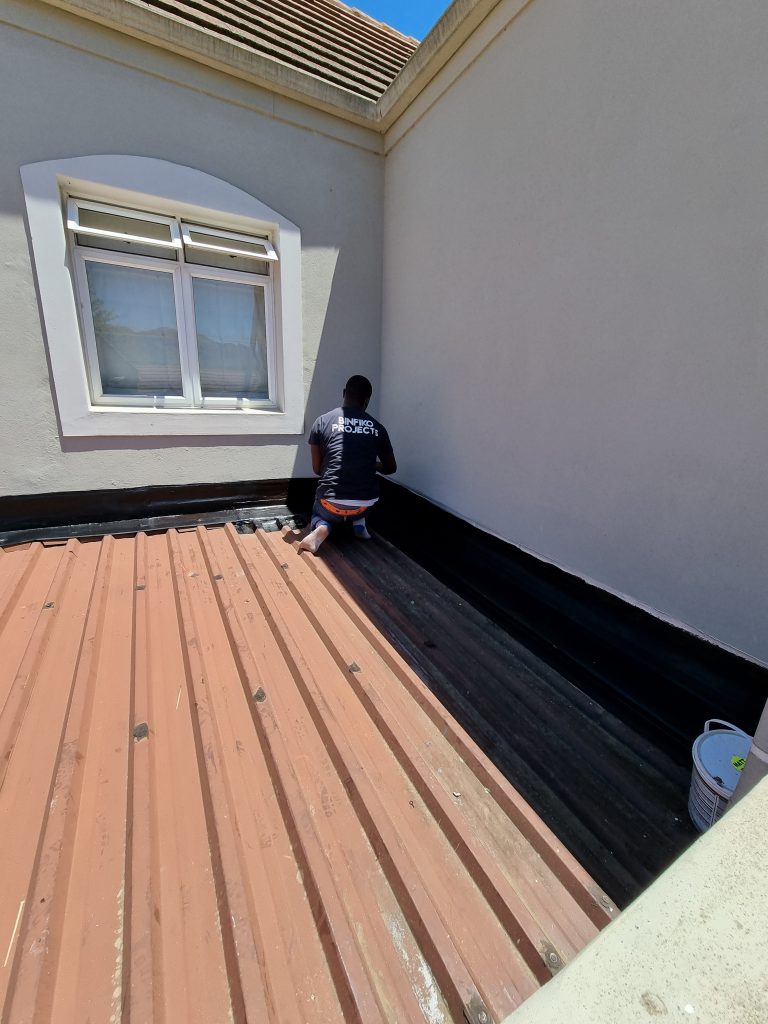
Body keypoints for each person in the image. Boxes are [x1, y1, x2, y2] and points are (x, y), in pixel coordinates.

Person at [298, 374, 397, 554]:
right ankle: (359, 524)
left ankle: (322, 526)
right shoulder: (378, 428)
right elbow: (391, 468)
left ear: (344, 393)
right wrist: (371, 464)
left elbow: (317, 469)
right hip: (363, 505)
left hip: (329, 505)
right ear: (367, 401)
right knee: (361, 499)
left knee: (318, 508)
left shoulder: (322, 421)